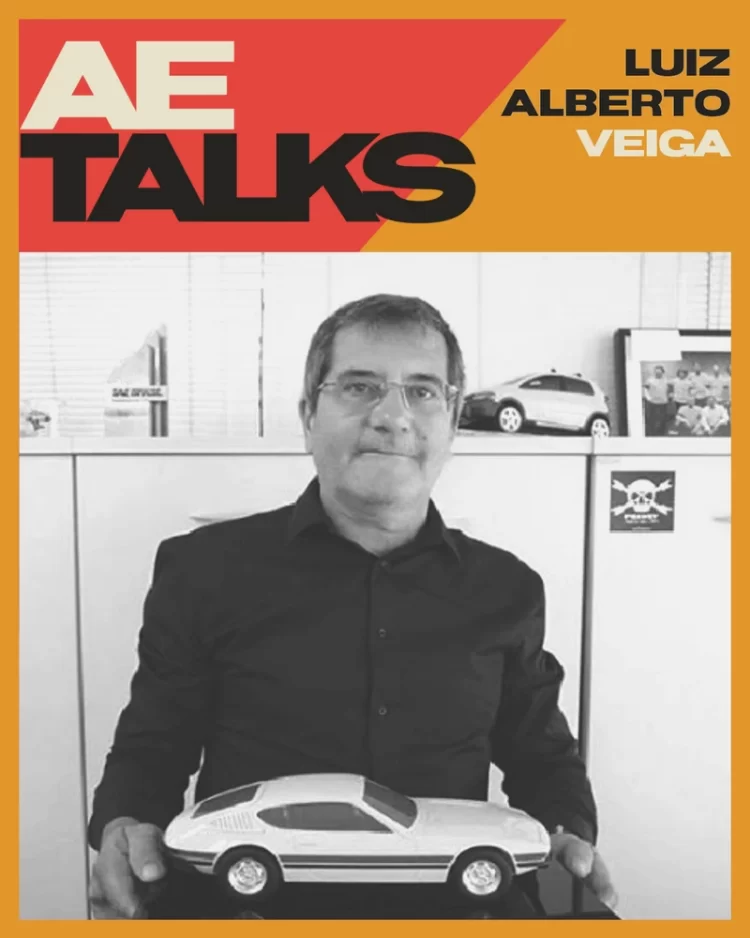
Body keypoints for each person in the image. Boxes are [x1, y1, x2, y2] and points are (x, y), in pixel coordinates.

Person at [88, 294, 616, 919]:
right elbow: (153, 745)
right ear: (309, 414)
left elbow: (541, 755)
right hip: (248, 903)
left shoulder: (508, 588)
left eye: (422, 391)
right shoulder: (203, 569)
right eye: (360, 386)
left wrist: (565, 835)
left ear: (451, 419)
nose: (392, 416)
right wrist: (125, 825)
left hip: (451, 904)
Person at [642, 364, 669, 436]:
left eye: (659, 372)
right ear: (654, 372)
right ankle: (651, 433)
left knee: (662, 419)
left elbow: (669, 390)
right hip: (652, 403)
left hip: (663, 403)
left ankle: (661, 433)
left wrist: (669, 396)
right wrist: (648, 398)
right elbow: (645, 389)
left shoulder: (666, 380)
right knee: (651, 419)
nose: (658, 374)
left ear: (662, 372)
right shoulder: (649, 380)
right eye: (656, 372)